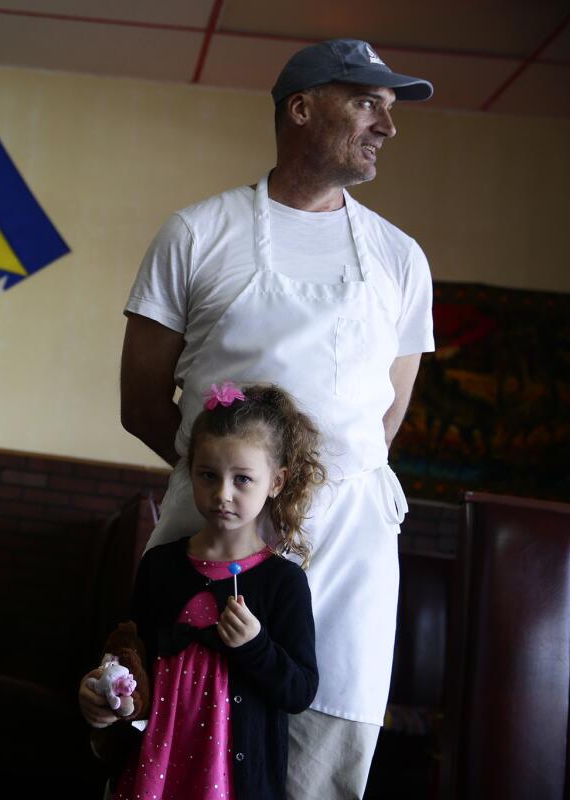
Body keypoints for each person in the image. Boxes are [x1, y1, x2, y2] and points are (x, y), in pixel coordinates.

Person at [116, 40, 435, 798]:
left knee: (323, 762)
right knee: (172, 742)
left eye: (390, 109)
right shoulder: (197, 234)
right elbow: (139, 403)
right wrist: (237, 492)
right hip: (212, 535)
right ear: (301, 108)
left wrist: (298, 495)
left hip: (348, 552)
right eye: (366, 102)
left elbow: (386, 419)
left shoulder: (401, 259)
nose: (386, 125)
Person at [83, 383, 324, 799]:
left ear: (277, 482)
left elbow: (299, 691)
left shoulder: (283, 582)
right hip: (152, 772)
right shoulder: (161, 565)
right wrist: (104, 691)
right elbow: (128, 656)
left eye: (243, 479)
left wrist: (255, 645)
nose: (222, 494)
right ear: (189, 471)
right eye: (208, 475)